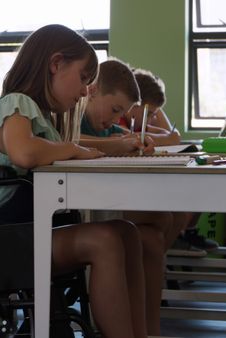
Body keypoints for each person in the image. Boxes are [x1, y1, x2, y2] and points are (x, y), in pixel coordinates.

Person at [0, 24, 150, 337]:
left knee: (127, 233)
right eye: (84, 78)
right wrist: (72, 148)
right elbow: (24, 153)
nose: (86, 91)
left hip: (13, 231)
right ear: (55, 64)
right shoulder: (16, 102)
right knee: (106, 241)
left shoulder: (40, 117)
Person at [77, 59, 173, 335]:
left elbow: (128, 135)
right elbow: (67, 138)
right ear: (92, 91)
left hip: (100, 203)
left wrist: (138, 140)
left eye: (121, 112)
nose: (114, 117)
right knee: (160, 217)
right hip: (81, 207)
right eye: (115, 109)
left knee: (152, 238)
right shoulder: (74, 116)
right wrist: (117, 143)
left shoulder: (107, 124)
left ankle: (149, 331)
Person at [126, 68, 218, 253]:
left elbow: (172, 136)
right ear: (133, 103)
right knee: (173, 214)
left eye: (154, 114)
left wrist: (154, 112)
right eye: (150, 113)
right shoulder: (120, 122)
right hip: (129, 192)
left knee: (183, 208)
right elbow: (172, 137)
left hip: (138, 186)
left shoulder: (132, 122)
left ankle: (163, 256)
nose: (153, 118)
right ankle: (162, 256)